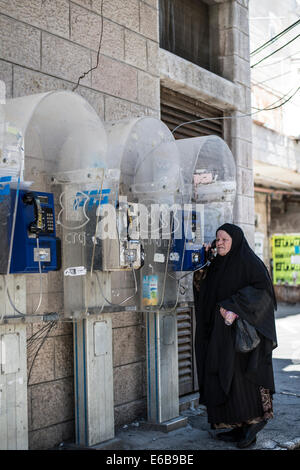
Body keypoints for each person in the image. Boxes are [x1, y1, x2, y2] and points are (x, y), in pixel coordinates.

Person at [193, 223, 277, 448]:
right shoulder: (217, 264)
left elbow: (264, 293)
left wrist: (234, 306)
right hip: (219, 335)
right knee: (224, 379)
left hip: (243, 337)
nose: (219, 243)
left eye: (224, 239)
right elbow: (203, 292)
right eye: (217, 239)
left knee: (243, 381)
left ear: (235, 241)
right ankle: (237, 426)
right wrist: (203, 262)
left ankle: (252, 426)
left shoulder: (249, 263)